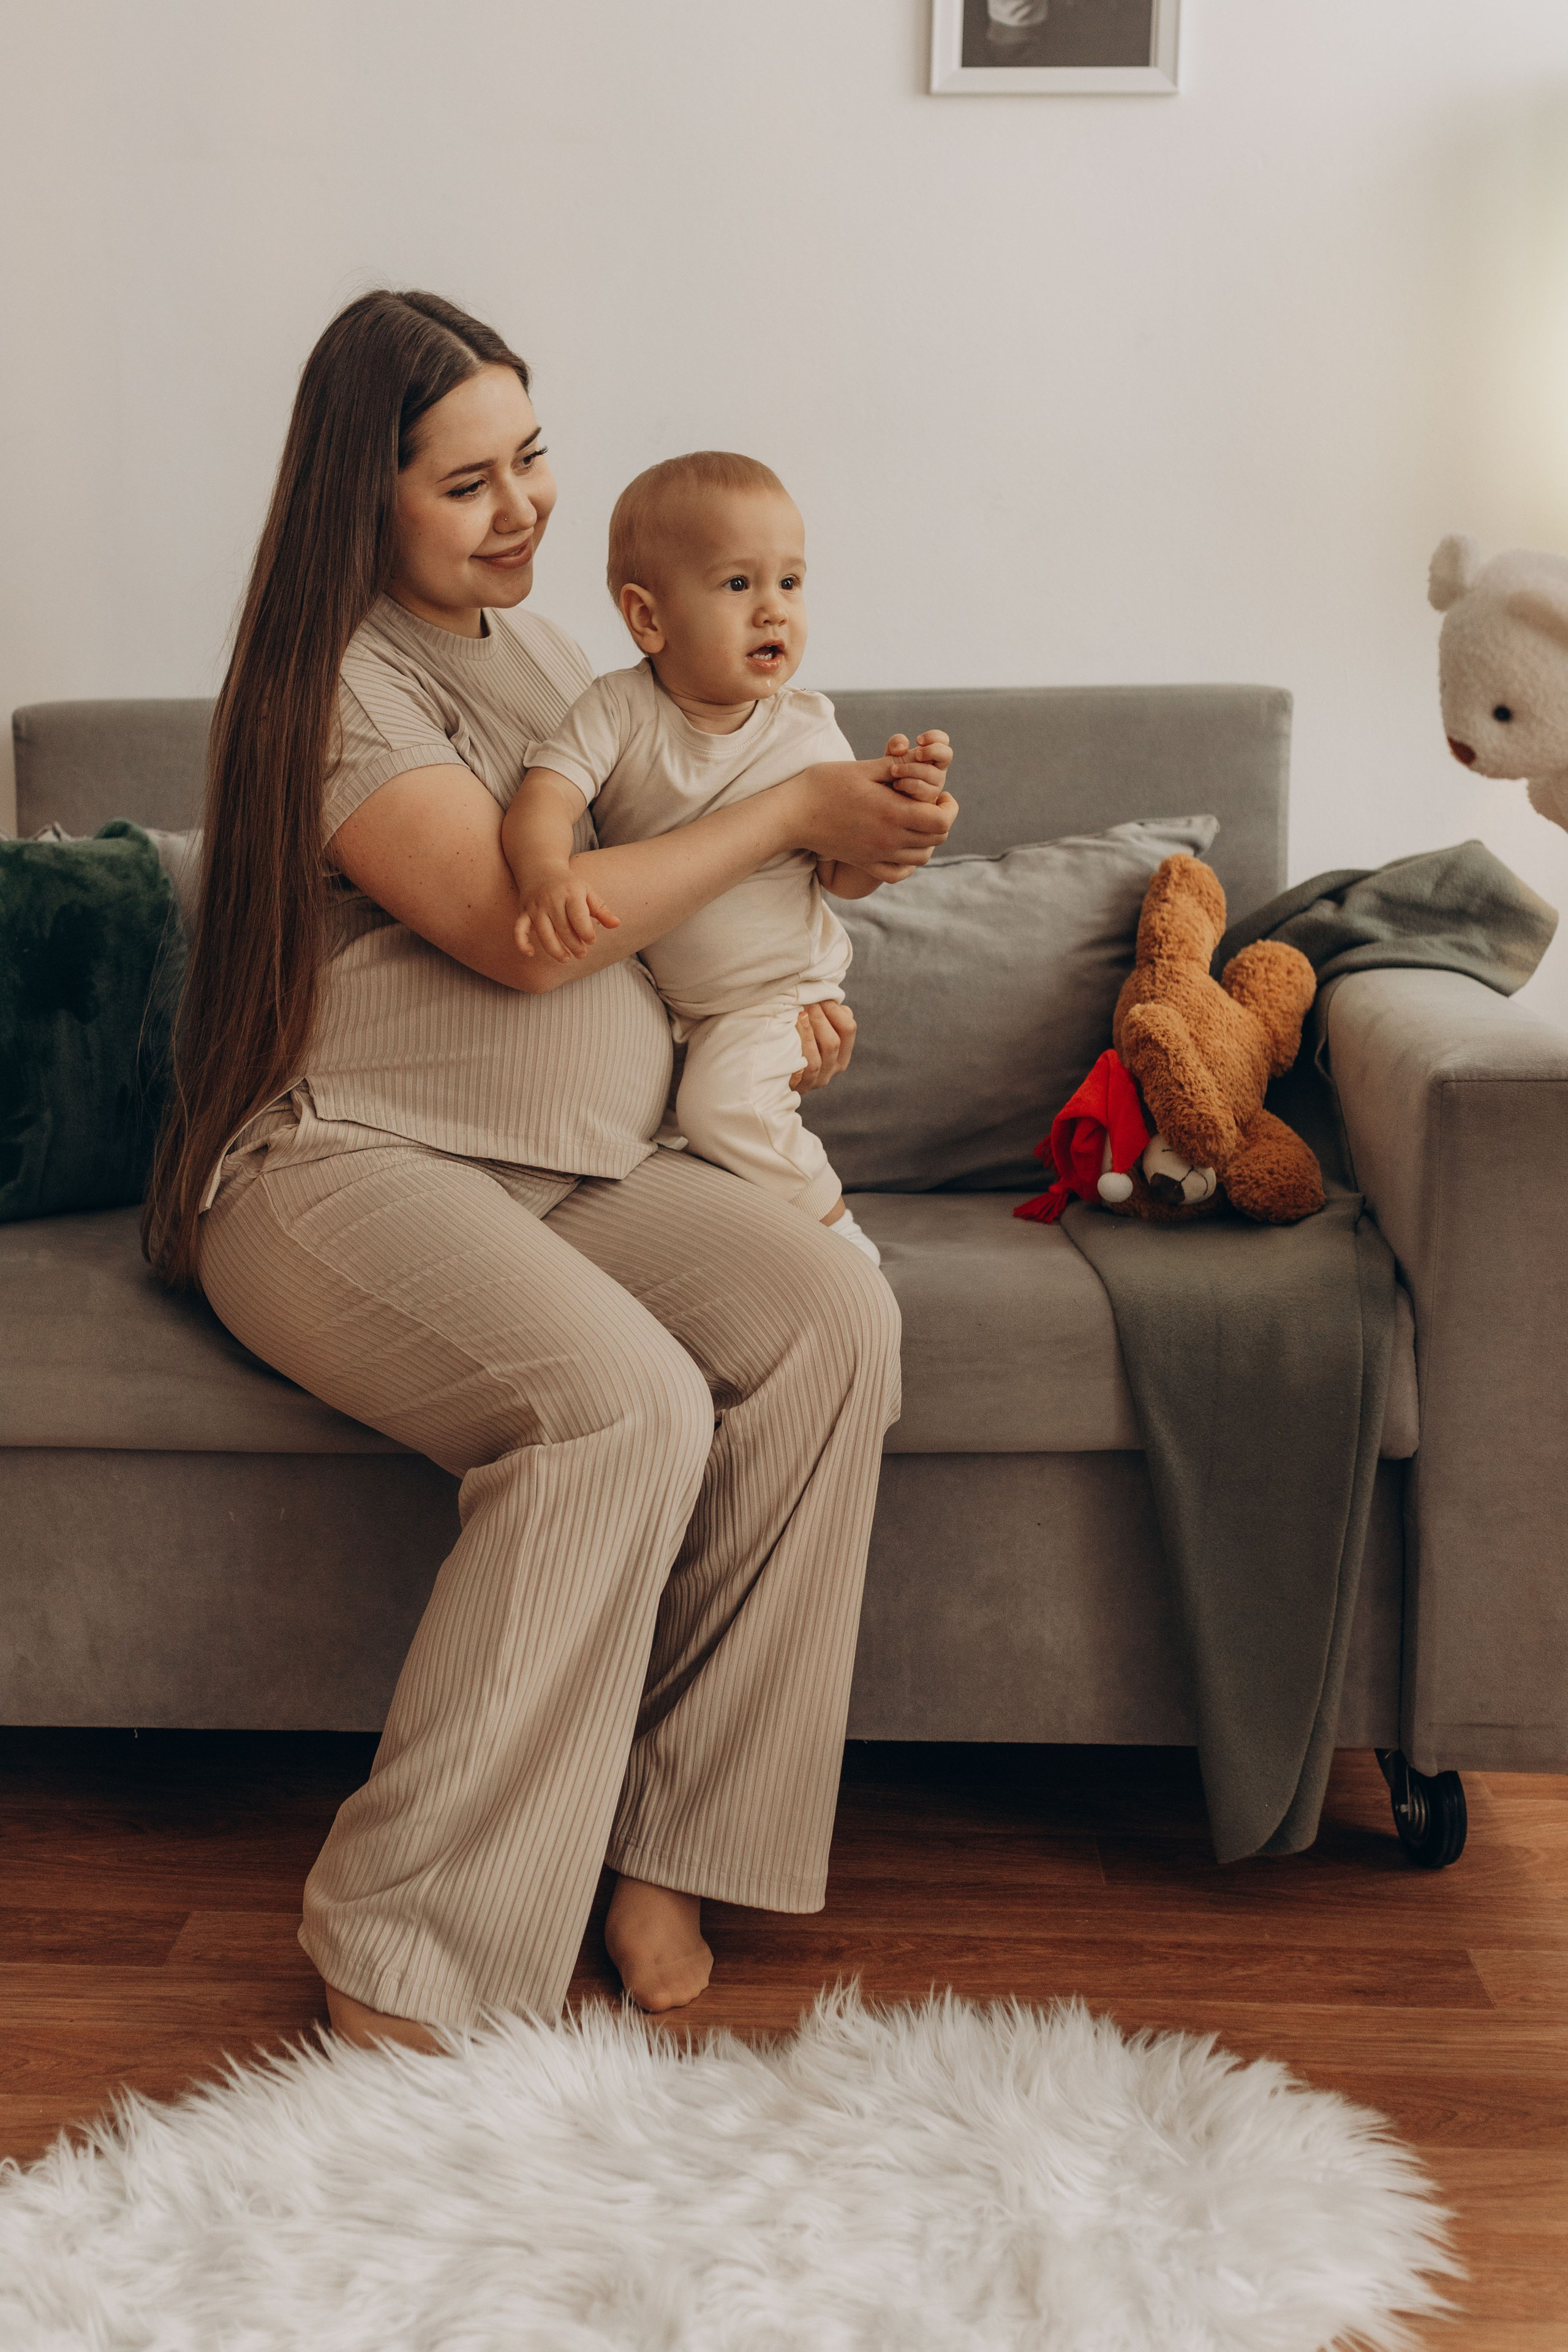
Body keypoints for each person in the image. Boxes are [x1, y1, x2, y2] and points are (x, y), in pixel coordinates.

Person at [144, 289, 957, 2051]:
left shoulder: (540, 660)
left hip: (580, 1165)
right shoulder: (347, 683)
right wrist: (792, 816)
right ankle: (402, 1959)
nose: (522, 512)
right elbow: (529, 934)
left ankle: (668, 1847)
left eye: (530, 461)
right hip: (345, 1169)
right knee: (625, 1409)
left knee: (831, 1319)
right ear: (361, 500)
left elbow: (680, 888)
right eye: (466, 484)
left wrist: (812, 925)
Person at [500, 450, 954, 1267]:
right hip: (669, 1008)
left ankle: (840, 1240)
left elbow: (841, 878)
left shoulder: (806, 732)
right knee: (680, 1154)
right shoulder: (616, 710)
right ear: (648, 619)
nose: (773, 612)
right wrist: (544, 876)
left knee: (723, 1109)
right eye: (739, 585)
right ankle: (775, 1250)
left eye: (791, 583)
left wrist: (901, 827)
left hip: (774, 994)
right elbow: (545, 798)